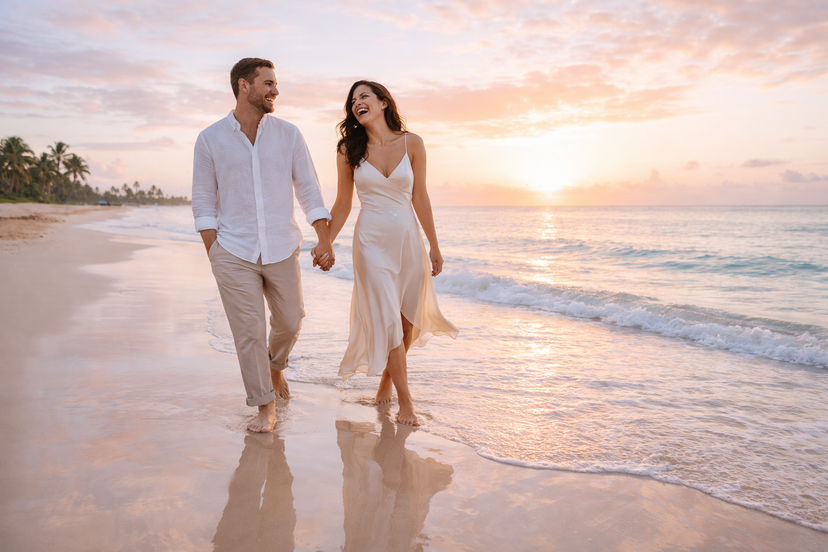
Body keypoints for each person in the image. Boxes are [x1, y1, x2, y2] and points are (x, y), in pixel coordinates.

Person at [192, 58, 334, 433]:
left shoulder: (289, 135)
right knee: (249, 331)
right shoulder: (210, 139)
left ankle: (276, 368)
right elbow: (203, 201)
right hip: (232, 251)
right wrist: (214, 252)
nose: (275, 90)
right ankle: (264, 407)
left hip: (282, 247)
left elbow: (308, 188)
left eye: (275, 84)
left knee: (291, 320)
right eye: (268, 83)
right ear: (244, 86)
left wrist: (323, 237)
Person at [327, 81, 458, 427]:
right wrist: (325, 241)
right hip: (370, 242)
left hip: (407, 241)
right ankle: (407, 403)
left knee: (407, 320)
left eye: (364, 97)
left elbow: (421, 198)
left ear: (383, 103)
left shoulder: (412, 143)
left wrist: (434, 245)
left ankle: (388, 376)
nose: (357, 104)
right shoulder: (348, 150)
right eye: (352, 101)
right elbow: (342, 205)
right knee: (387, 318)